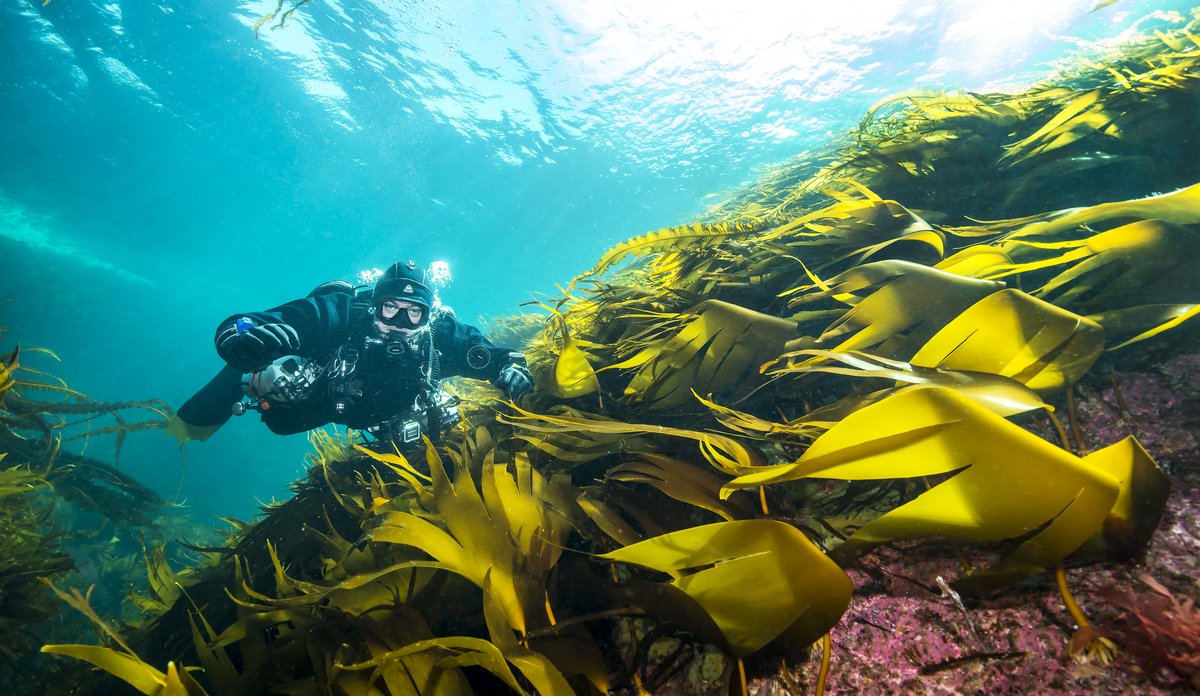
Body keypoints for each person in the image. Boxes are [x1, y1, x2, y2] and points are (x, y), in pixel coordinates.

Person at [171, 260, 533, 450]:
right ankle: (218, 403)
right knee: (280, 421)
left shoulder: (440, 336)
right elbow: (244, 323)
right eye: (390, 307)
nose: (400, 322)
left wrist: (509, 368)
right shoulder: (337, 314)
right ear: (373, 305)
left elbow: (493, 356)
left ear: (428, 316)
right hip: (313, 402)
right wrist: (240, 343)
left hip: (379, 418)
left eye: (414, 312)